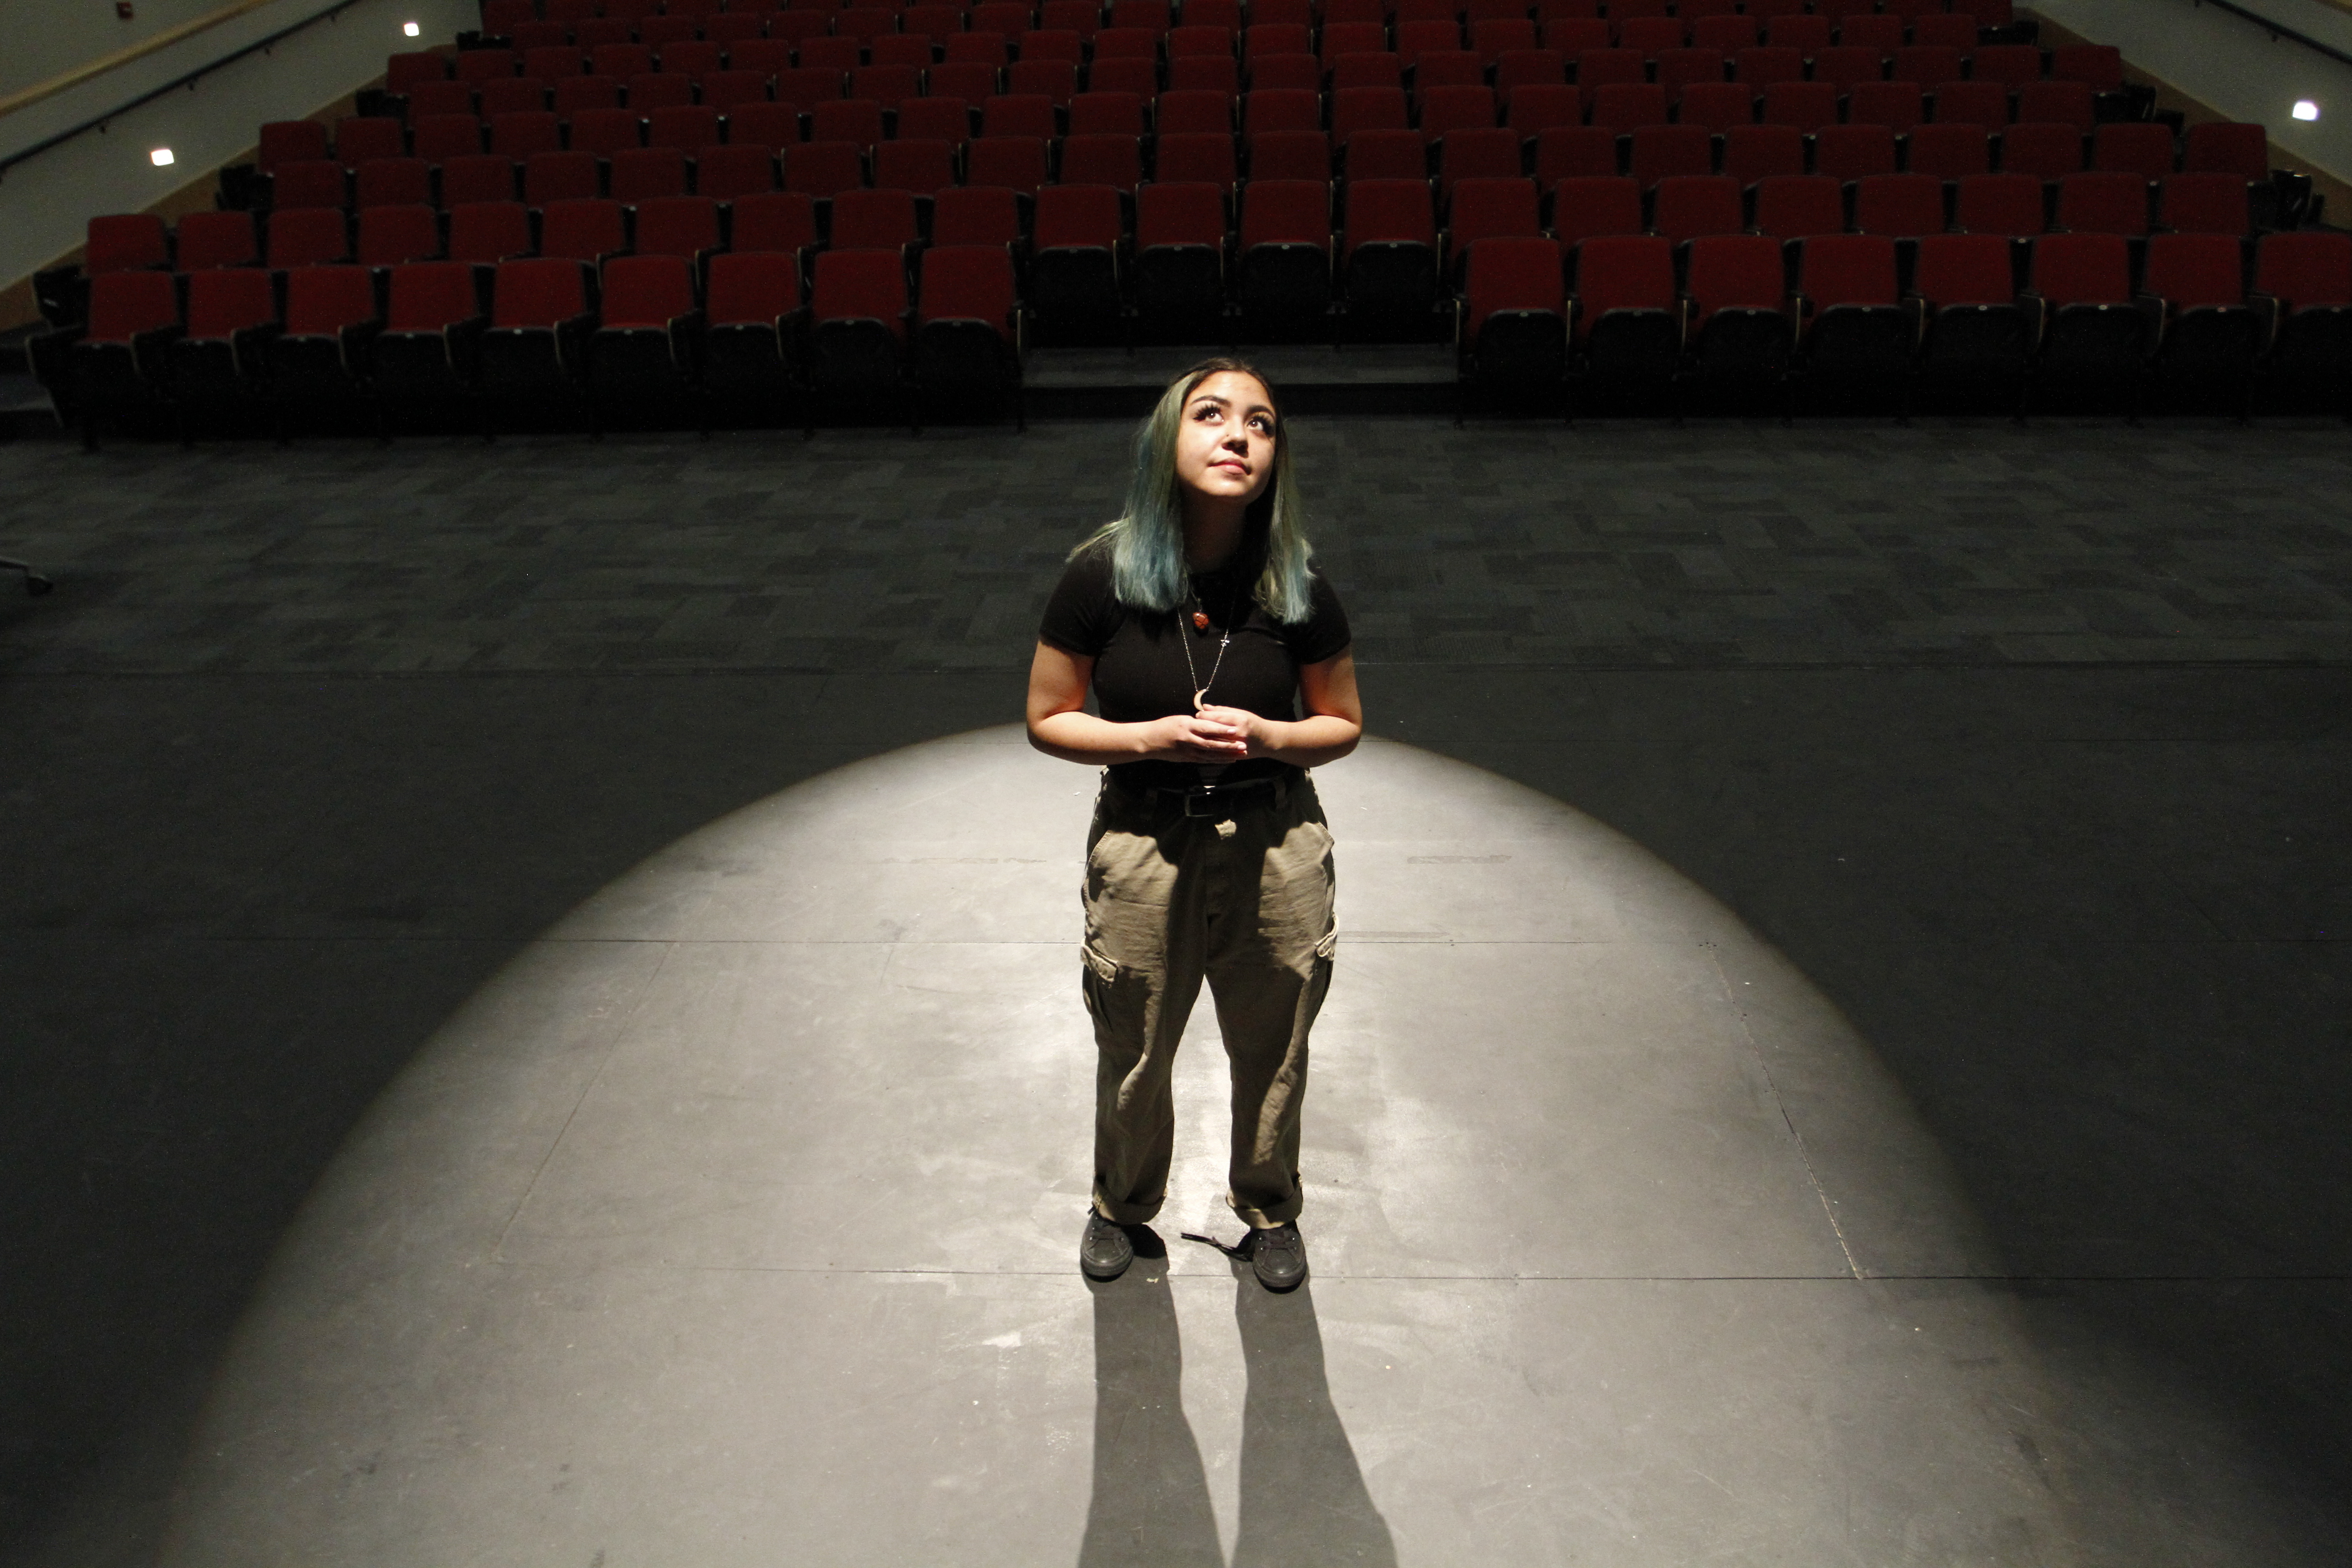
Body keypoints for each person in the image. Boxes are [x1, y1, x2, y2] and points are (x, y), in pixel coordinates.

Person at [1026, 359, 1363, 1293]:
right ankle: (1121, 1207)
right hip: (1144, 841)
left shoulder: (1295, 580)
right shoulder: (1102, 571)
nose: (1238, 436)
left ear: (1275, 458)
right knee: (1133, 1040)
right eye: (1211, 415)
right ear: (1166, 440)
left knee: (1275, 1043)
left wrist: (1270, 735)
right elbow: (1049, 714)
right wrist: (1147, 740)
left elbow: (1342, 722)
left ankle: (1270, 1208)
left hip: (1274, 840)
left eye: (1260, 424)